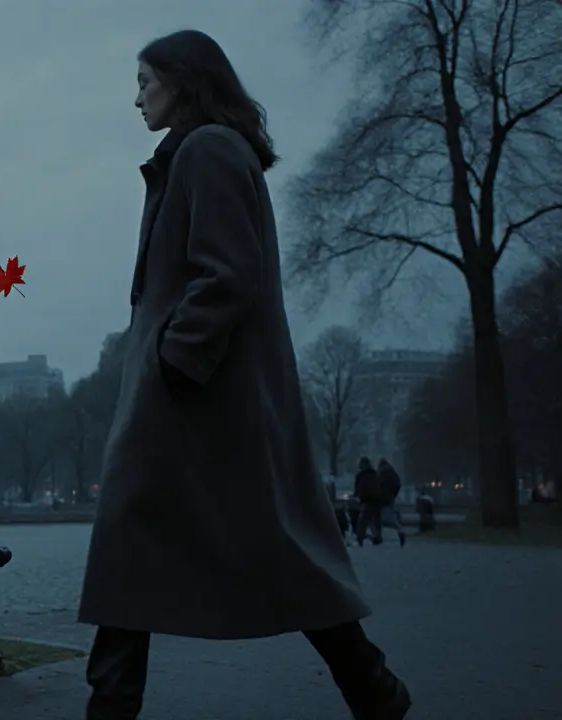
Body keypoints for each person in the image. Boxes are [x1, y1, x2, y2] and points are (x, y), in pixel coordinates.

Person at [77, 30, 410, 719]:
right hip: (194, 400)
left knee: (157, 543)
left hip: (195, 402)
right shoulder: (197, 152)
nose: (136, 99)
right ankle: (373, 690)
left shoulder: (207, 149)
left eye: (144, 82)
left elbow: (229, 273)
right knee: (146, 550)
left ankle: (373, 688)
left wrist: (174, 362)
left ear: (182, 80)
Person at [354, 457, 385, 546]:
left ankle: (360, 537)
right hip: (377, 499)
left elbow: (358, 489)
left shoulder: (360, 475)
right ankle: (377, 535)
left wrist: (357, 497)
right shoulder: (374, 474)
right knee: (375, 519)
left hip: (367, 499)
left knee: (363, 520)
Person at [376, 459, 407, 547]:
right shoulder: (393, 473)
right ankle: (398, 529)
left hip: (382, 498)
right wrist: (393, 494)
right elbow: (398, 484)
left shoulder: (380, 473)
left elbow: (377, 484)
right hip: (390, 498)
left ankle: (398, 530)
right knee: (387, 515)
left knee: (383, 518)